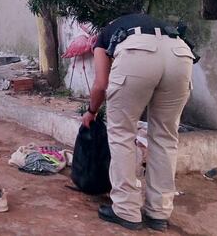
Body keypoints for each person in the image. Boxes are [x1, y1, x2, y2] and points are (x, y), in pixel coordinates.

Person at [82, 13, 196, 232]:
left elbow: (100, 84)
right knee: (165, 137)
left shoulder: (103, 36)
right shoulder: (150, 23)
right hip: (181, 54)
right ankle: (158, 213)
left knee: (122, 134)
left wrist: (91, 112)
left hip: (138, 55)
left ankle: (126, 211)